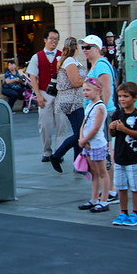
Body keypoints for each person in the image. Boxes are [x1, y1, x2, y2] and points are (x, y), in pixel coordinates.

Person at [81, 34, 118, 203]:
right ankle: (106, 191)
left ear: (97, 48)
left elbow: (106, 91)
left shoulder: (102, 65)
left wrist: (99, 111)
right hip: (95, 113)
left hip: (103, 113)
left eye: (88, 47)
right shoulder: (96, 64)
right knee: (102, 154)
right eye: (83, 47)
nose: (85, 50)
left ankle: (111, 190)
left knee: (106, 153)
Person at [109, 82, 137, 226]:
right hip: (120, 156)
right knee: (121, 186)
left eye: (126, 96)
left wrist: (124, 129)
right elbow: (112, 133)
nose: (122, 99)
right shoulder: (117, 114)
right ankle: (123, 211)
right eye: (120, 96)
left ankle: (136, 213)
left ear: (135, 98)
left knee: (135, 187)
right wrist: (112, 128)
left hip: (135, 157)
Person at [28, 29, 65, 162]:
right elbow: (32, 76)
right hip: (44, 93)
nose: (54, 41)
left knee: (62, 125)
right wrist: (38, 95)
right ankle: (47, 151)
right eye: (51, 38)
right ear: (45, 40)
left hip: (61, 94)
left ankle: (59, 152)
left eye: (56, 39)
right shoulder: (37, 57)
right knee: (45, 125)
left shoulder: (63, 56)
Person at [50, 37, 86, 172]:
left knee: (79, 132)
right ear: (76, 47)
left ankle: (78, 164)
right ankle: (57, 155)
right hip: (70, 101)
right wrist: (89, 79)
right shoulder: (70, 61)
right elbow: (75, 82)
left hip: (74, 99)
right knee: (79, 134)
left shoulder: (72, 61)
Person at [77, 78, 110, 213]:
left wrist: (84, 140)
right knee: (94, 172)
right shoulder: (89, 106)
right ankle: (94, 198)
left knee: (102, 172)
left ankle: (104, 200)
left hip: (96, 144)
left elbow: (96, 128)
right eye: (84, 90)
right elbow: (84, 123)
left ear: (98, 91)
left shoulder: (100, 107)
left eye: (88, 90)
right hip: (88, 144)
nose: (85, 93)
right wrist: (81, 139)